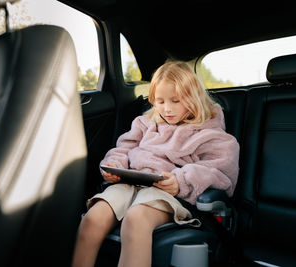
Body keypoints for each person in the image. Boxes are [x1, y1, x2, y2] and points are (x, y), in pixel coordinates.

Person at [71, 61, 239, 267]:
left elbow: (221, 171)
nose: (167, 109)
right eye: (160, 101)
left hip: (169, 193)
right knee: (93, 218)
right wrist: (115, 164)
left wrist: (181, 181)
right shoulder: (146, 123)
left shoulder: (210, 133)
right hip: (130, 184)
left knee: (136, 219)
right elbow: (124, 147)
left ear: (193, 97)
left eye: (175, 101)